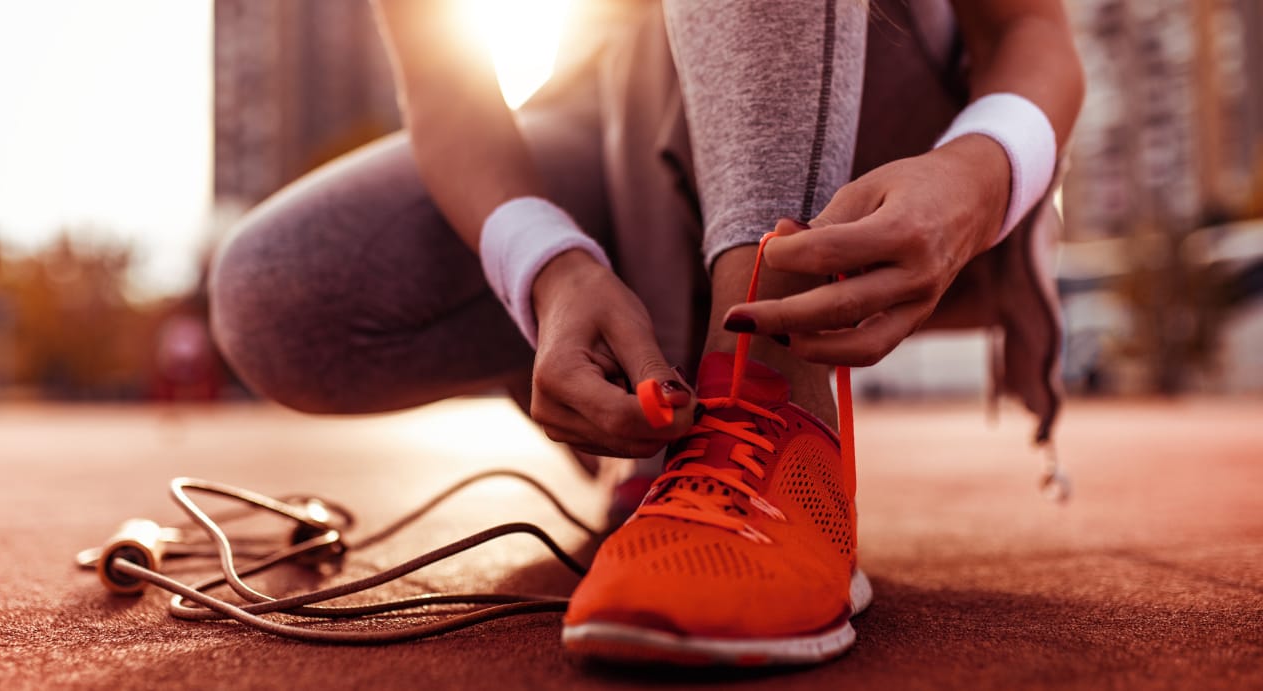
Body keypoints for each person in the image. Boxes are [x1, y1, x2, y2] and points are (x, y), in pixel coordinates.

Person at [209, 0, 1083, 666]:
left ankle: (776, 420)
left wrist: (978, 178)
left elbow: (1030, 26)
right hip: (622, 107)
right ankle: (675, 392)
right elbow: (443, 80)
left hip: (898, 114)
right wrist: (551, 268)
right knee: (277, 296)